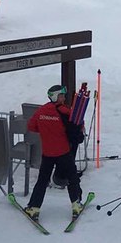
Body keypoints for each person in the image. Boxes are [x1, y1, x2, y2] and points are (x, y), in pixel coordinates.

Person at [25, 85, 84, 220]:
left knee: (42, 181)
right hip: (63, 151)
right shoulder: (65, 111)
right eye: (61, 95)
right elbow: (78, 124)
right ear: (56, 96)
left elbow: (31, 126)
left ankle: (34, 207)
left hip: (48, 153)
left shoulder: (41, 111)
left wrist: (46, 131)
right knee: (72, 178)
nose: (63, 98)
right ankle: (76, 205)